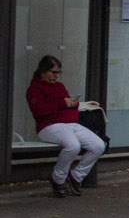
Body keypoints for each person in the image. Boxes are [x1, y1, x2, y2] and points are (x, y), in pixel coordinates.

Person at [25, 55, 106, 198]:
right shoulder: (34, 89)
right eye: (53, 72)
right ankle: (58, 179)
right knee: (73, 146)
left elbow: (65, 105)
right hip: (49, 126)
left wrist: (72, 104)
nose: (56, 76)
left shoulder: (60, 87)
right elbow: (40, 111)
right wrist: (64, 104)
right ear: (43, 71)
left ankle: (76, 176)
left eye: (58, 73)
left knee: (98, 145)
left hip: (70, 124)